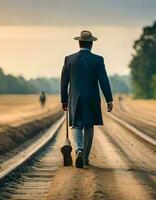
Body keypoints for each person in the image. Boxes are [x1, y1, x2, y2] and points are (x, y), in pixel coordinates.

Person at [60, 30, 113, 168]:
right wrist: (109, 99)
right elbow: (104, 81)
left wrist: (64, 100)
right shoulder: (98, 60)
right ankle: (85, 158)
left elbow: (64, 82)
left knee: (76, 125)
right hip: (92, 98)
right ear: (91, 45)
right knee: (89, 126)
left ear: (79, 43)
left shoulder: (68, 59)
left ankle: (79, 149)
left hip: (74, 97)